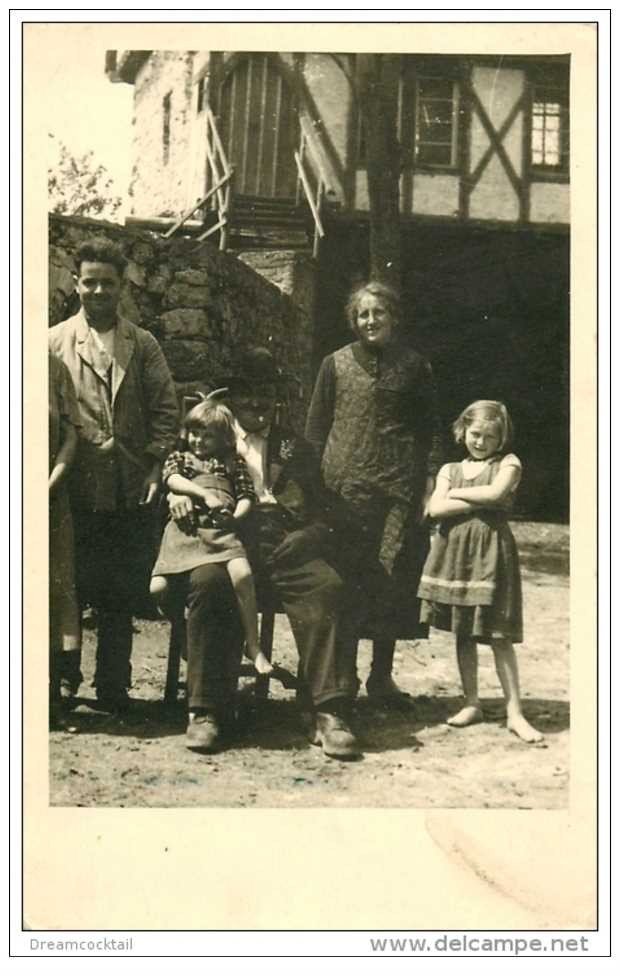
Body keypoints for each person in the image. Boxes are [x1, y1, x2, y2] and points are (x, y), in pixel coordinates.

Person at [168, 347, 359, 759]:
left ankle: (327, 710)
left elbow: (323, 506)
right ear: (231, 397)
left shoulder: (295, 446)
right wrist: (176, 499)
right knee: (208, 583)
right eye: (248, 394)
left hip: (284, 540)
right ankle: (207, 709)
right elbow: (176, 475)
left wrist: (308, 536)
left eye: (267, 394)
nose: (258, 403)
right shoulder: (208, 436)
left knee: (327, 585)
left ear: (278, 398)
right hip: (223, 537)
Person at [48, 237, 179, 711]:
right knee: (68, 585)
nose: (98, 291)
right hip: (73, 487)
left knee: (121, 589)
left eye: (108, 283)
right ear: (76, 284)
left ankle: (114, 686)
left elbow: (167, 409)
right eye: (90, 282)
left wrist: (154, 464)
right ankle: (63, 680)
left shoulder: (142, 344)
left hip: (129, 486)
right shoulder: (53, 342)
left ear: (122, 286)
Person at [305, 280, 442, 704]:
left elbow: (431, 430)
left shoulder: (416, 366)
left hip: (398, 489)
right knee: (344, 579)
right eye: (362, 314)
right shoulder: (335, 363)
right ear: (353, 320)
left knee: (391, 578)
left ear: (393, 317)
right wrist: (310, 487)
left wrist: (431, 482)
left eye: (377, 313)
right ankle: (340, 678)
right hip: (343, 489)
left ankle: (380, 677)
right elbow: (315, 426)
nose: (370, 321)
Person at [418, 400, 543, 743]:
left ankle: (515, 711)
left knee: (498, 634)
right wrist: (477, 498)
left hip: (491, 553)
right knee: (463, 630)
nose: (480, 442)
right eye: (475, 434)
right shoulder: (449, 468)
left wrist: (461, 496)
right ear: (463, 430)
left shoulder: (509, 463)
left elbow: (498, 491)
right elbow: (435, 508)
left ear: (501, 438)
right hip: (456, 554)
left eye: (489, 437)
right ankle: (471, 701)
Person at [151, 398, 272, 675]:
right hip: (187, 529)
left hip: (221, 529)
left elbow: (246, 496)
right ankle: (183, 633)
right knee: (157, 589)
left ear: (223, 438)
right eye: (195, 433)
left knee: (242, 575)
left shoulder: (232, 463)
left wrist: (236, 516)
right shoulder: (181, 458)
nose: (199, 441)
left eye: (208, 436)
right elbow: (172, 479)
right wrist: (203, 494)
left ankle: (252, 645)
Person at [48, 352, 81, 727]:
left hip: (50, 498)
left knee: (48, 598)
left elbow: (71, 434)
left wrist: (50, 483)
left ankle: (48, 701)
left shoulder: (54, 367)